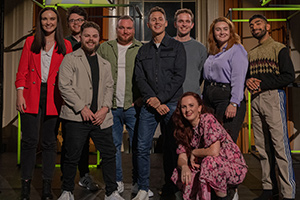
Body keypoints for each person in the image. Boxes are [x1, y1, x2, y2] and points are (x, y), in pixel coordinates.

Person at [57, 21, 124, 200]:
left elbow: (110, 87)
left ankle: (111, 192)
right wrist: (82, 108)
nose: (90, 39)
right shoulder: (70, 59)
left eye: (94, 36)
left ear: (98, 39)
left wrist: (104, 108)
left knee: (109, 154)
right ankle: (67, 191)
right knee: (72, 154)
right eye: (87, 35)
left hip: (100, 118)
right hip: (77, 117)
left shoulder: (104, 63)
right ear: (81, 37)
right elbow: (64, 86)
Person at [15, 7, 72, 200]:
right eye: (45, 19)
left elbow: (69, 75)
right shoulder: (30, 42)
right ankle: (25, 186)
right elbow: (21, 71)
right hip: (31, 95)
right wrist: (19, 95)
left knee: (49, 143)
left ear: (58, 22)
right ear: (40, 22)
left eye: (52, 19)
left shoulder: (65, 45)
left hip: (54, 96)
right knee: (29, 141)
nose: (48, 22)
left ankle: (47, 187)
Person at [97, 15, 155, 197]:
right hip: (111, 106)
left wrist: (140, 98)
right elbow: (98, 74)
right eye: (122, 28)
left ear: (134, 30)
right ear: (117, 29)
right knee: (113, 146)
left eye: (129, 28)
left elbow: (148, 75)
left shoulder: (143, 49)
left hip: (133, 106)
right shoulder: (105, 48)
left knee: (138, 145)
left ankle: (138, 183)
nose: (125, 31)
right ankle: (118, 181)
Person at [134, 6, 186, 200]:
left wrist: (161, 99)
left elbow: (178, 77)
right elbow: (140, 79)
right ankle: (143, 188)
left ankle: (172, 187)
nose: (156, 22)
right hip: (149, 106)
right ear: (148, 24)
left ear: (165, 23)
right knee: (141, 146)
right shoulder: (143, 50)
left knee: (172, 147)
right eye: (153, 19)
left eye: (160, 19)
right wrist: (153, 101)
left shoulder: (176, 47)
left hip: (171, 104)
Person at [246, 14, 296, 200]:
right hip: (255, 100)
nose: (254, 27)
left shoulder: (279, 48)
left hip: (273, 97)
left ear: (267, 27)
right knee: (262, 146)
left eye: (258, 23)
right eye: (251, 25)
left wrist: (262, 85)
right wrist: (248, 80)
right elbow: (246, 77)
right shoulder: (250, 53)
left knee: (280, 146)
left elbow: (288, 76)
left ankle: (288, 192)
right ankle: (269, 187)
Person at [171, 92, 248, 200]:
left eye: (191, 105)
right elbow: (182, 157)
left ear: (199, 108)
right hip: (206, 166)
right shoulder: (184, 129)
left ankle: (225, 197)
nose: (188, 110)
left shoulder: (207, 119)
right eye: (184, 107)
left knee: (209, 162)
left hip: (231, 166)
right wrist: (184, 166)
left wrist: (194, 152)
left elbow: (214, 151)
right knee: (181, 172)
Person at [61, 6, 100, 192]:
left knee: (84, 143)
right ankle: (65, 181)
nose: (76, 23)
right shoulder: (63, 43)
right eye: (72, 20)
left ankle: (85, 177)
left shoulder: (92, 42)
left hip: (89, 102)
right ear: (68, 24)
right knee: (69, 143)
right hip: (69, 101)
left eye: (79, 20)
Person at [202, 17, 248, 143]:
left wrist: (234, 103)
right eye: (218, 29)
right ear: (213, 33)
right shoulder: (212, 51)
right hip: (209, 98)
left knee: (225, 141)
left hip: (226, 98)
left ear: (231, 32)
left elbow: (239, 79)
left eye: (225, 29)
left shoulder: (237, 50)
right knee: (210, 140)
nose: (222, 32)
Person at [174, 8, 207, 95]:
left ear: (192, 25)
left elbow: (202, 75)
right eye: (181, 21)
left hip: (193, 97)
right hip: (170, 100)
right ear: (175, 24)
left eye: (187, 21)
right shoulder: (167, 46)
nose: (184, 24)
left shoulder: (201, 49)